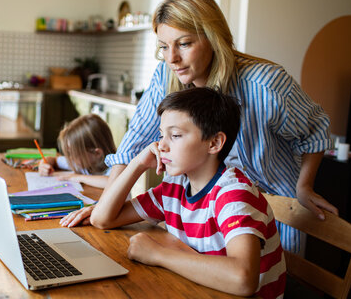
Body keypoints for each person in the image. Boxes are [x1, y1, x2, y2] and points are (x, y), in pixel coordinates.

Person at [60, 0, 337, 254]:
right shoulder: (166, 75)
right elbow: (133, 143)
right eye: (164, 47)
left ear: (213, 37)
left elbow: (315, 130)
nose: (172, 58)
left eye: (184, 44)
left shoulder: (265, 84)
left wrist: (304, 186)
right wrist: (107, 202)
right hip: (203, 212)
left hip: (274, 213)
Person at [90, 87, 286, 298]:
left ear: (214, 143)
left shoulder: (234, 194)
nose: (160, 145)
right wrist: (138, 163)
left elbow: (243, 279)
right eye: (161, 135)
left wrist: (158, 254)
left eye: (175, 135)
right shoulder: (174, 187)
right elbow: (102, 219)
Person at [38, 114, 115, 188]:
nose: (71, 158)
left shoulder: (116, 167)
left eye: (74, 153)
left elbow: (113, 182)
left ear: (97, 153)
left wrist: (78, 177)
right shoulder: (80, 162)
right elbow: (53, 160)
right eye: (70, 153)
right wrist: (44, 164)